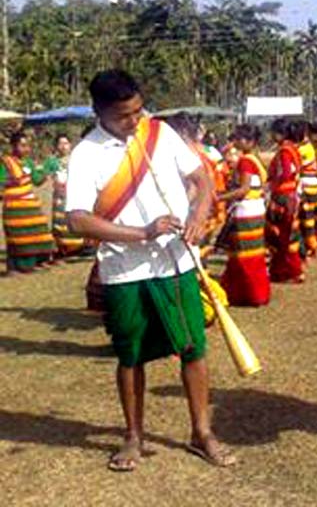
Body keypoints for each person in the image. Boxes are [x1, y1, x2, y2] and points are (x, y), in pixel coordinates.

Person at [65, 69, 234, 471]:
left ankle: (202, 433)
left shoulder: (160, 133)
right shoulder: (85, 154)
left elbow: (202, 179)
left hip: (176, 262)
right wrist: (142, 233)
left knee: (193, 347)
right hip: (125, 271)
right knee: (131, 355)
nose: (134, 121)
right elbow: (77, 220)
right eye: (123, 115)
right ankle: (133, 437)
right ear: (98, 112)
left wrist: (198, 215)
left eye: (138, 110)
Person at [216, 123, 270, 307]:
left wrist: (219, 197)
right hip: (256, 208)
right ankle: (250, 292)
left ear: (249, 141)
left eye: (240, 138)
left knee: (244, 254)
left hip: (246, 211)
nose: (237, 141)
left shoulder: (246, 161)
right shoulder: (255, 159)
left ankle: (250, 294)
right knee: (252, 253)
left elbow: (243, 189)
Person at [165, 113, 226, 260]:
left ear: (182, 133)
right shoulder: (207, 151)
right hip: (210, 205)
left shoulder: (189, 154)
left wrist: (182, 207)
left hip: (198, 210)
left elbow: (195, 186)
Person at [2, 131, 56, 273]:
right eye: (22, 145)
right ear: (13, 146)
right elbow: (1, 182)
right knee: (19, 237)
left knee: (40, 232)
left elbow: (36, 180)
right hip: (14, 207)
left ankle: (40, 261)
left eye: (28, 146)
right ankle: (19, 267)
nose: (26, 149)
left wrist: (46, 170)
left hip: (31, 206)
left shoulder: (29, 163)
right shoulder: (5, 163)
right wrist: (13, 181)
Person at [266, 118, 304, 283]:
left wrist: (272, 182)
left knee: (280, 234)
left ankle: (288, 270)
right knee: (288, 233)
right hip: (292, 194)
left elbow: (285, 173)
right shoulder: (293, 149)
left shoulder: (284, 151)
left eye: (273, 133)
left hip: (283, 195)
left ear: (280, 134)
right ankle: (288, 269)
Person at [49, 133, 89, 258]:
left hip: (74, 194)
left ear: (70, 145)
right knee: (60, 221)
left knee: (74, 219)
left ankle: (78, 247)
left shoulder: (77, 159)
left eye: (65, 143)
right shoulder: (52, 161)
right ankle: (63, 248)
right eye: (60, 143)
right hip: (59, 197)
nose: (63, 146)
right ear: (56, 146)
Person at [294, 121, 317, 258]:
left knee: (306, 218)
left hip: (306, 184)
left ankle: (311, 246)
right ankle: (310, 245)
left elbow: (298, 166)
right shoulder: (308, 146)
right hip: (311, 183)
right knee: (308, 218)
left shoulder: (303, 149)